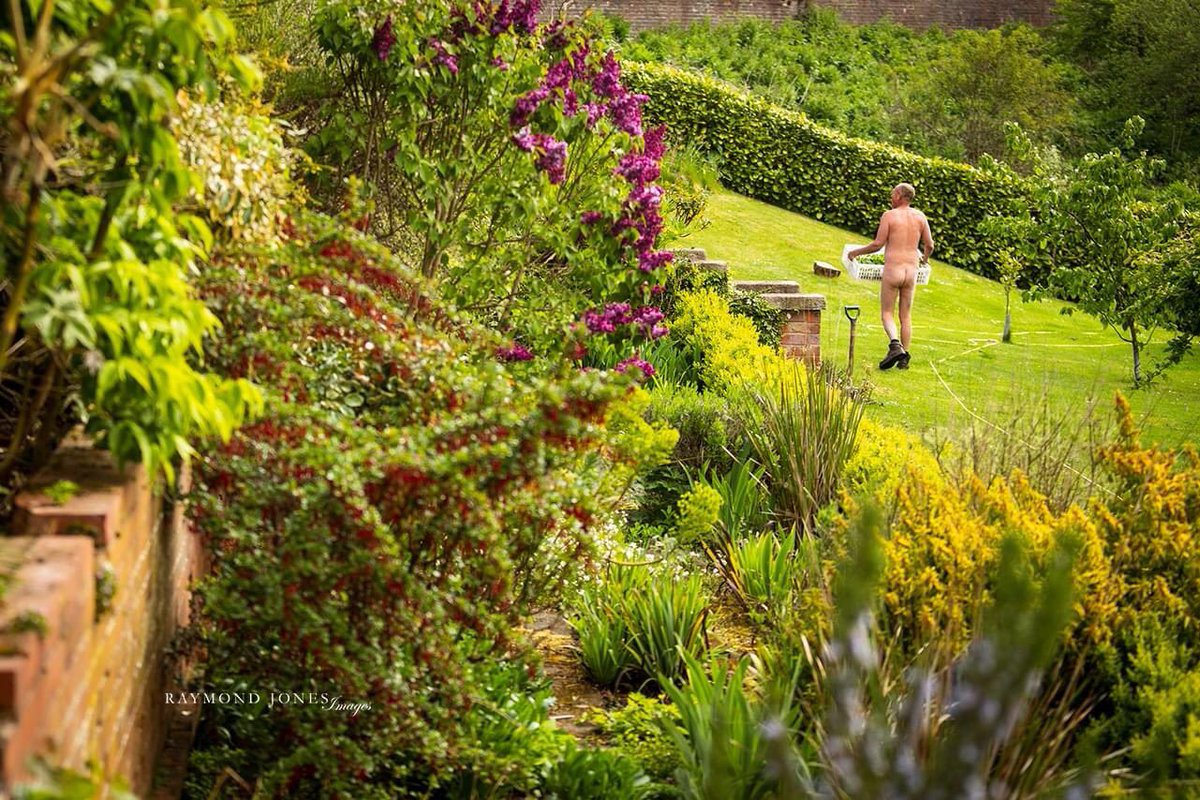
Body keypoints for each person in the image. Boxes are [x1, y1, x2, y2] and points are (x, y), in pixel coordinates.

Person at [846, 183, 934, 370]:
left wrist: (855, 253)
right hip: (911, 272)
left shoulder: (889, 216)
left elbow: (877, 244)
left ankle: (895, 345)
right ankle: (904, 358)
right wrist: (924, 260)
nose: (891, 196)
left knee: (887, 313)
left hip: (893, 270)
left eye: (893, 194)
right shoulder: (920, 217)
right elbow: (930, 245)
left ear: (901, 196)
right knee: (906, 316)